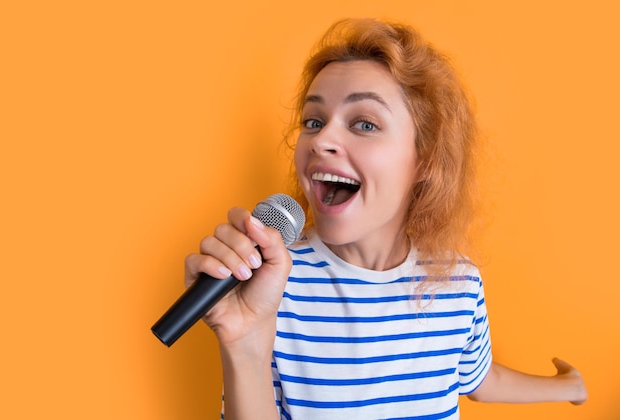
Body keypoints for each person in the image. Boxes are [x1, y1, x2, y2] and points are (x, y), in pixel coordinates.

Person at [184, 18, 588, 419]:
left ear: (425, 161)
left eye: (364, 123)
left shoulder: (458, 281)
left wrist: (567, 386)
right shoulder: (272, 285)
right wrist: (246, 346)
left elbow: (479, 380)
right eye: (313, 121)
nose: (321, 140)